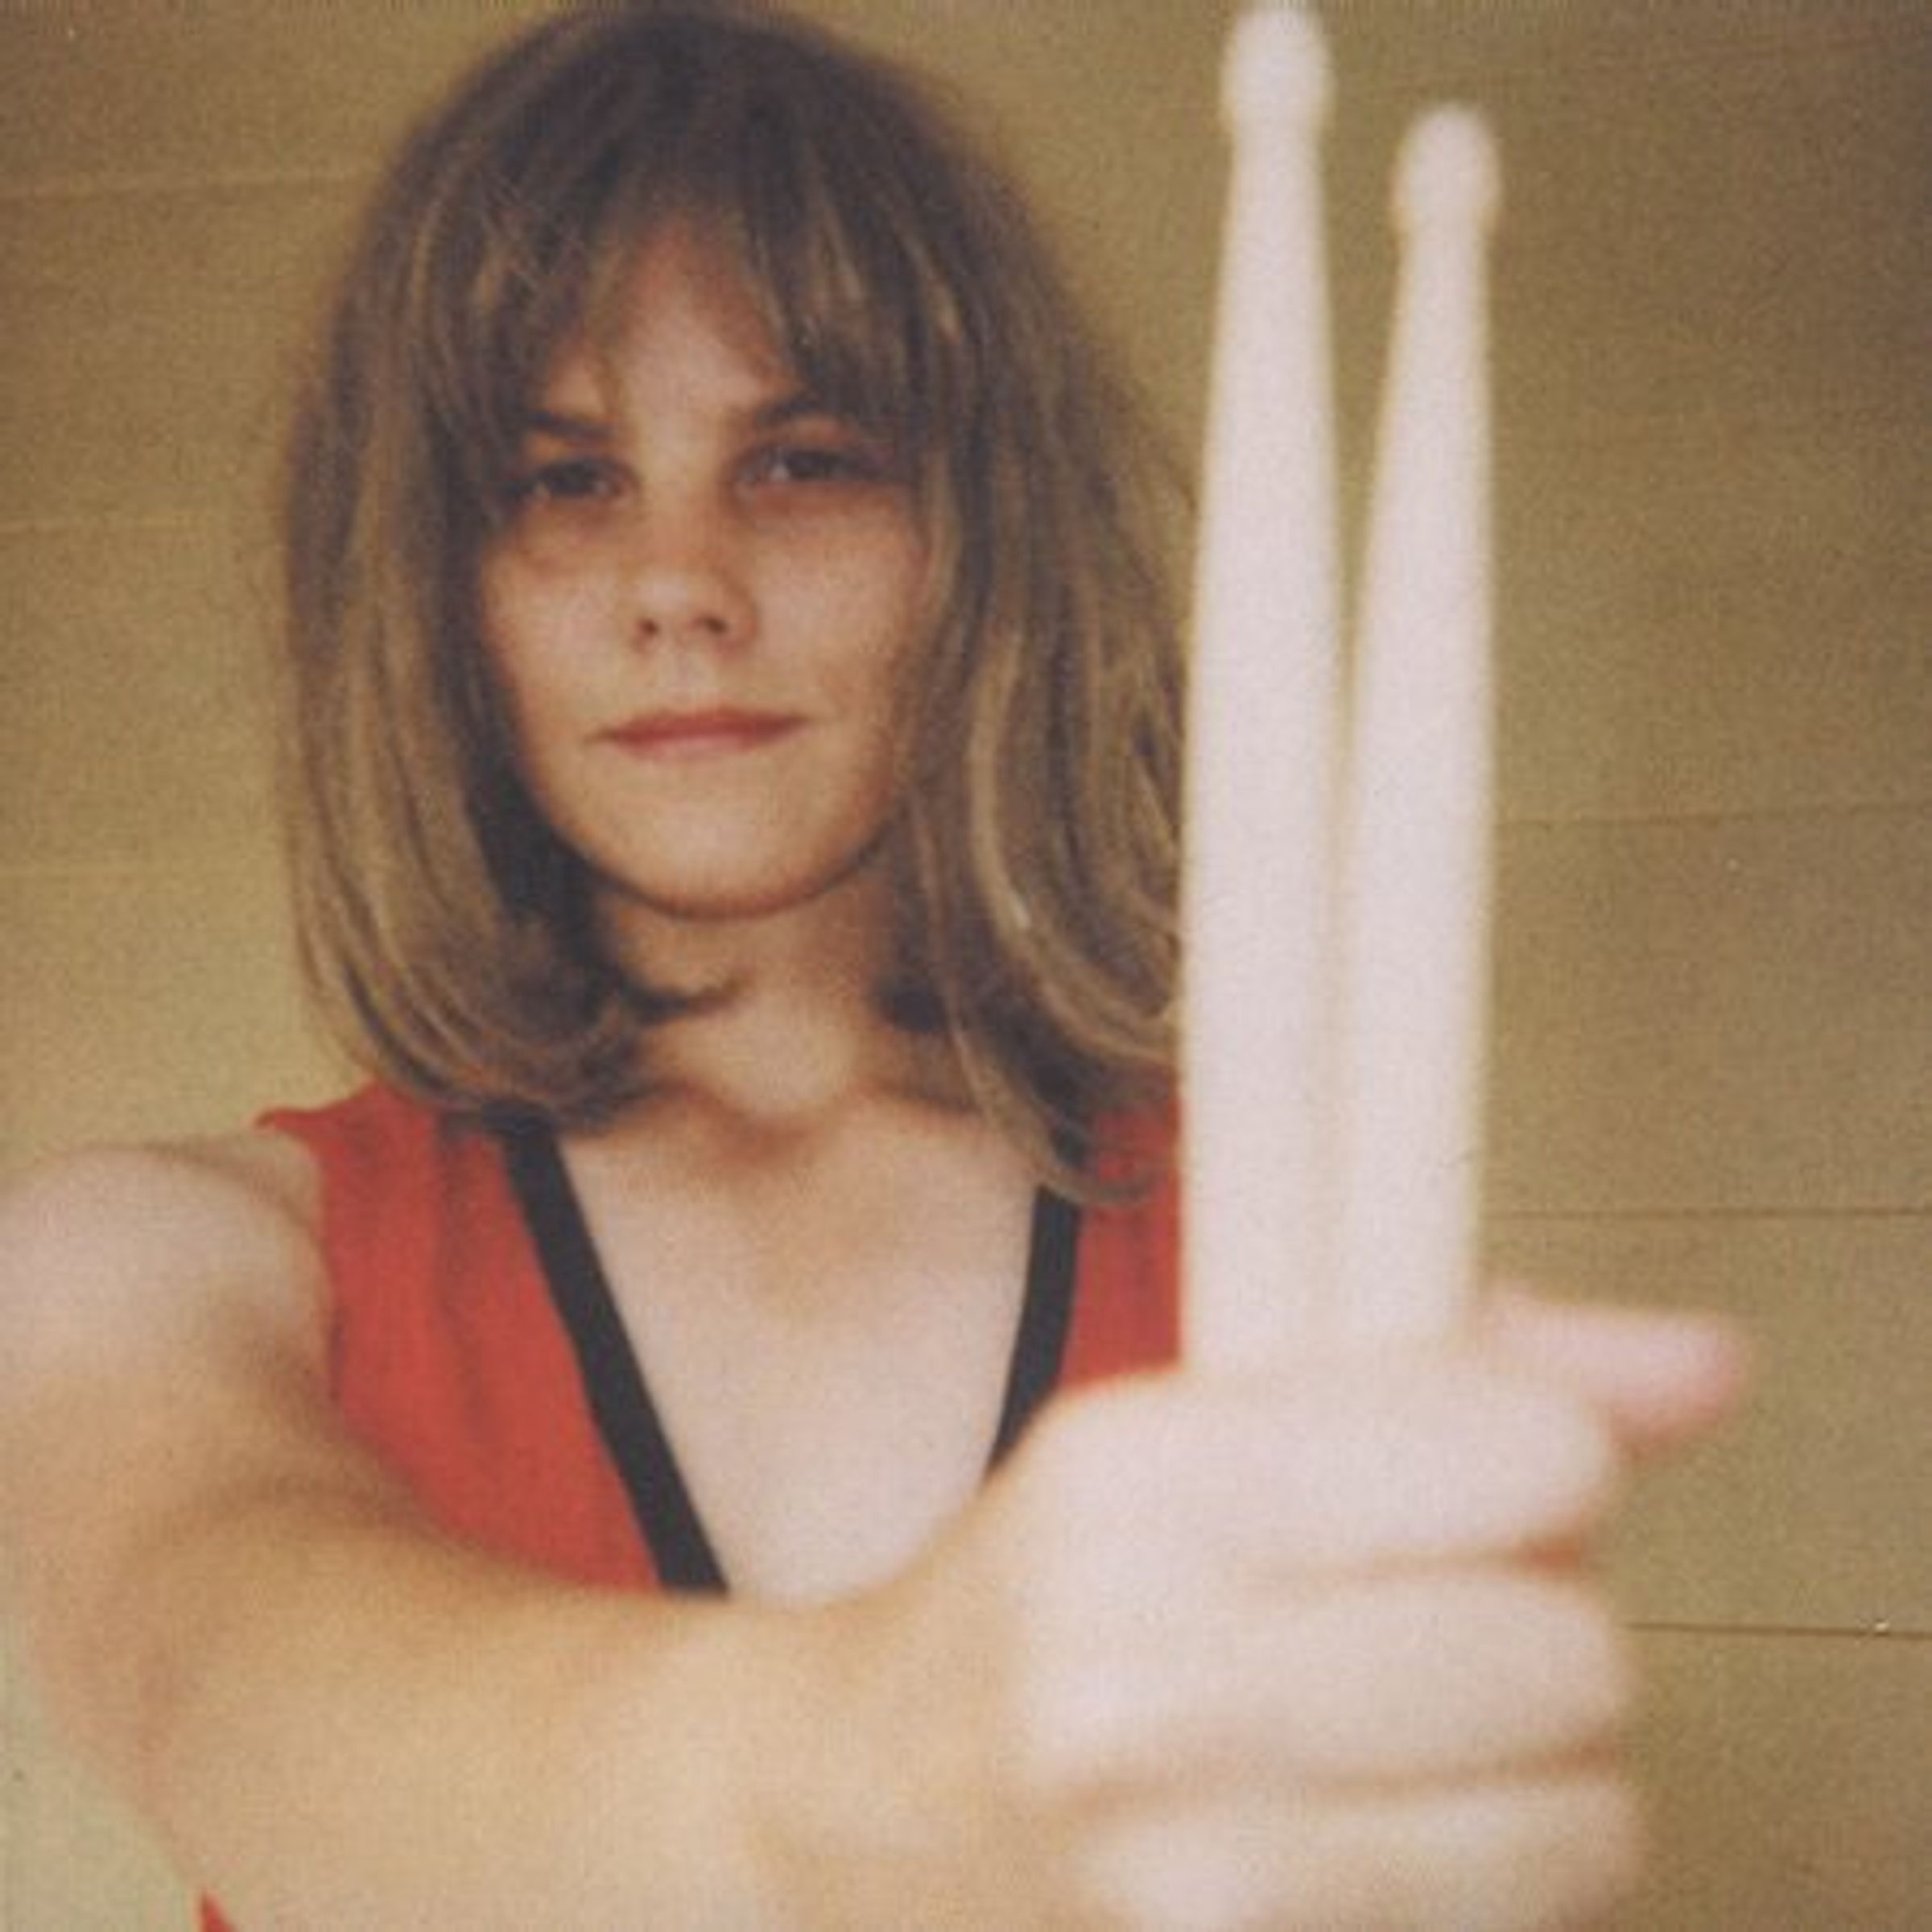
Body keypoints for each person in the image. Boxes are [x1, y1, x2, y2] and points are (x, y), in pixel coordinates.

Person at [0, 4, 1745, 1926]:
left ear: (976, 541)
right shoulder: (146, 1260)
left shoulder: (1299, 1262)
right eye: (567, 480)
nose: (681, 583)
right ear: (438, 589)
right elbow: (205, 1674)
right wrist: (882, 1780)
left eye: (803, 460)